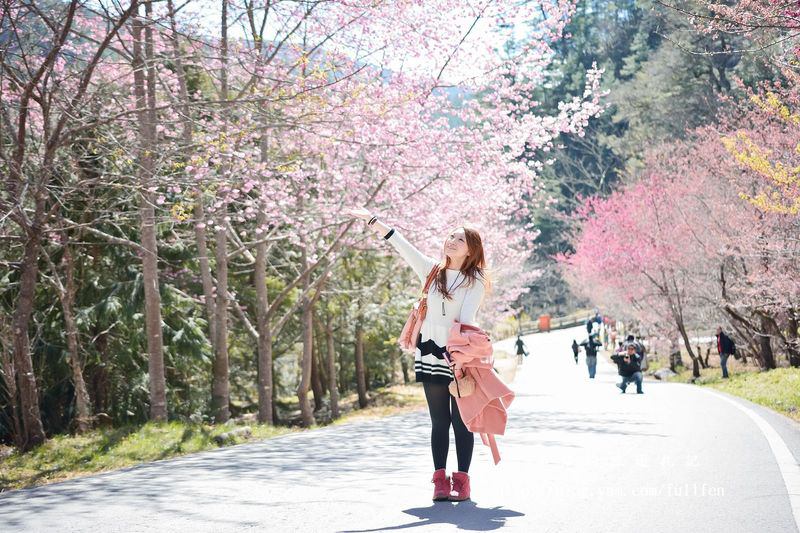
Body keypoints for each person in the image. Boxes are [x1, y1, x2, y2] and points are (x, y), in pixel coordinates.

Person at [348, 207, 488, 502]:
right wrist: (372, 221)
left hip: (458, 355)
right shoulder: (432, 270)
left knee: (461, 421)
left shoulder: (474, 280)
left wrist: (459, 357)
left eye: (459, 240)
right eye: (451, 236)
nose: (451, 241)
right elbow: (401, 245)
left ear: (471, 250)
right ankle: (440, 480)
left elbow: (467, 319)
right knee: (439, 421)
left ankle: (462, 481)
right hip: (428, 352)